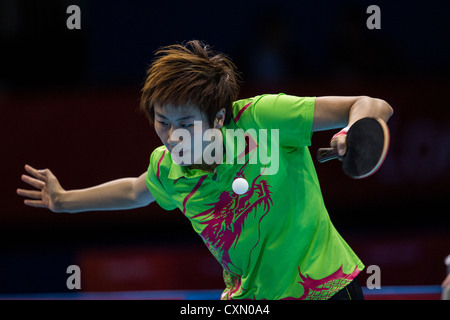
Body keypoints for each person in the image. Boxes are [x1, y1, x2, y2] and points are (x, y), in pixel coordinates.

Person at [17, 40, 393, 300]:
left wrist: (349, 131)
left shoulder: (261, 118)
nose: (171, 136)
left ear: (216, 118)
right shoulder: (167, 169)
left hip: (323, 287)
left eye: (185, 124)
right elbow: (134, 190)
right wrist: (64, 201)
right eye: (162, 121)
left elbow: (370, 104)